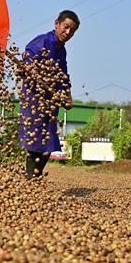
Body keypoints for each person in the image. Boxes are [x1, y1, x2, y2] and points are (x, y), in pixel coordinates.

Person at [18, 10, 80, 179]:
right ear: (56, 24)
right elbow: (26, 61)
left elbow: (64, 76)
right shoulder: (43, 41)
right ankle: (31, 180)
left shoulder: (62, 51)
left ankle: (34, 180)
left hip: (51, 103)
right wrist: (31, 69)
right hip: (34, 100)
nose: (68, 33)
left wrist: (68, 96)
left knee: (48, 142)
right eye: (66, 27)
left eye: (72, 31)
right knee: (35, 140)